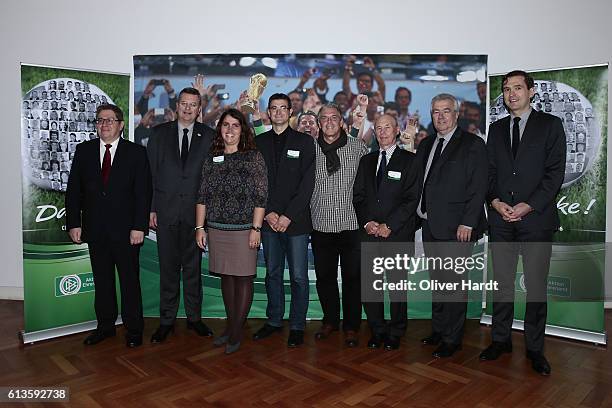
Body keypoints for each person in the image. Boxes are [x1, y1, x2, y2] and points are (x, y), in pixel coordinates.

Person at [481, 70, 566, 376]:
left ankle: (534, 348)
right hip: (501, 220)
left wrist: (528, 206)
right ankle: (500, 340)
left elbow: (555, 174)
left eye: (518, 88)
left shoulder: (550, 125)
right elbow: (488, 173)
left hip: (537, 220)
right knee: (502, 283)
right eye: (506, 89)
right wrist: (495, 202)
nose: (511, 93)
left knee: (535, 286)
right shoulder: (498, 129)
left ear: (531, 91)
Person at [65, 104, 152, 348]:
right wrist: (74, 223)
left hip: (127, 232)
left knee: (129, 282)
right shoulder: (84, 151)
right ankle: (105, 327)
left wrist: (139, 226)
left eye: (110, 120)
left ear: (121, 124)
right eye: (100, 120)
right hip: (95, 230)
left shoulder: (136, 153)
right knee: (102, 281)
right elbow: (74, 191)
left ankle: (134, 330)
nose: (104, 124)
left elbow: (143, 193)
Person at [416, 93, 488, 358]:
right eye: (435, 112)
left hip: (458, 228)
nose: (441, 116)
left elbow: (479, 186)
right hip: (430, 226)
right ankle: (439, 329)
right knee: (438, 282)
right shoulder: (426, 145)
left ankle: (452, 338)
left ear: (456, 114)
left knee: (454, 284)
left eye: (446, 111)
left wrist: (468, 221)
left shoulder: (472, 144)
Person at [195, 109, 267, 354]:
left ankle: (236, 331)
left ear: (243, 130)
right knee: (226, 277)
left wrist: (256, 228)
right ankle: (230, 326)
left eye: (235, 125)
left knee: (243, 278)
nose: (230, 130)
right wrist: (199, 227)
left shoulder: (253, 157)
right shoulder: (212, 157)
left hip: (245, 228)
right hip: (217, 228)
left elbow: (261, 196)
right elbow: (202, 196)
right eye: (226, 125)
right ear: (220, 129)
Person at [147, 87, 215, 343]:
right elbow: (150, 175)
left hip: (196, 216)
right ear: (177, 106)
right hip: (165, 213)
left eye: (193, 104)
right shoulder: (158, 134)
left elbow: (210, 180)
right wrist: (151, 208)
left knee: (193, 269)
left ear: (200, 109)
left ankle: (194, 319)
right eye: (184, 103)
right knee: (168, 269)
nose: (188, 108)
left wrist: (206, 218)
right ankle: (166, 321)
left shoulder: (209, 136)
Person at [252, 94, 315, 348]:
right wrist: (268, 213)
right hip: (268, 221)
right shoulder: (258, 142)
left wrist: (287, 216)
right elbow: (255, 182)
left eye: (283, 108)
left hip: (296, 222)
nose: (278, 112)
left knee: (299, 276)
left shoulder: (304, 142)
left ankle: (297, 325)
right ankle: (274, 320)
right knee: (273, 274)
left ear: (290, 112)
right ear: (268, 112)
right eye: (274, 108)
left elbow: (307, 184)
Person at [353, 114, 418, 350]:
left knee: (397, 286)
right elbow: (358, 197)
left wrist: (389, 225)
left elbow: (412, 200)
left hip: (397, 235)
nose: (382, 132)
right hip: (369, 234)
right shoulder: (366, 161)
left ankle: (396, 331)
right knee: (371, 286)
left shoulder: (410, 161)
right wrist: (367, 222)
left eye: (387, 127)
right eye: (378, 128)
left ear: (397, 130)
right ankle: (377, 330)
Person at [311, 103, 368, 347]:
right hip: (320, 224)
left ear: (342, 121)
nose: (330, 122)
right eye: (325, 118)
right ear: (318, 123)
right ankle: (330, 320)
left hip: (351, 224)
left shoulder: (358, 148)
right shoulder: (309, 149)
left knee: (353, 278)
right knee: (324, 278)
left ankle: (352, 326)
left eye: (334, 117)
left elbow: (370, 183)